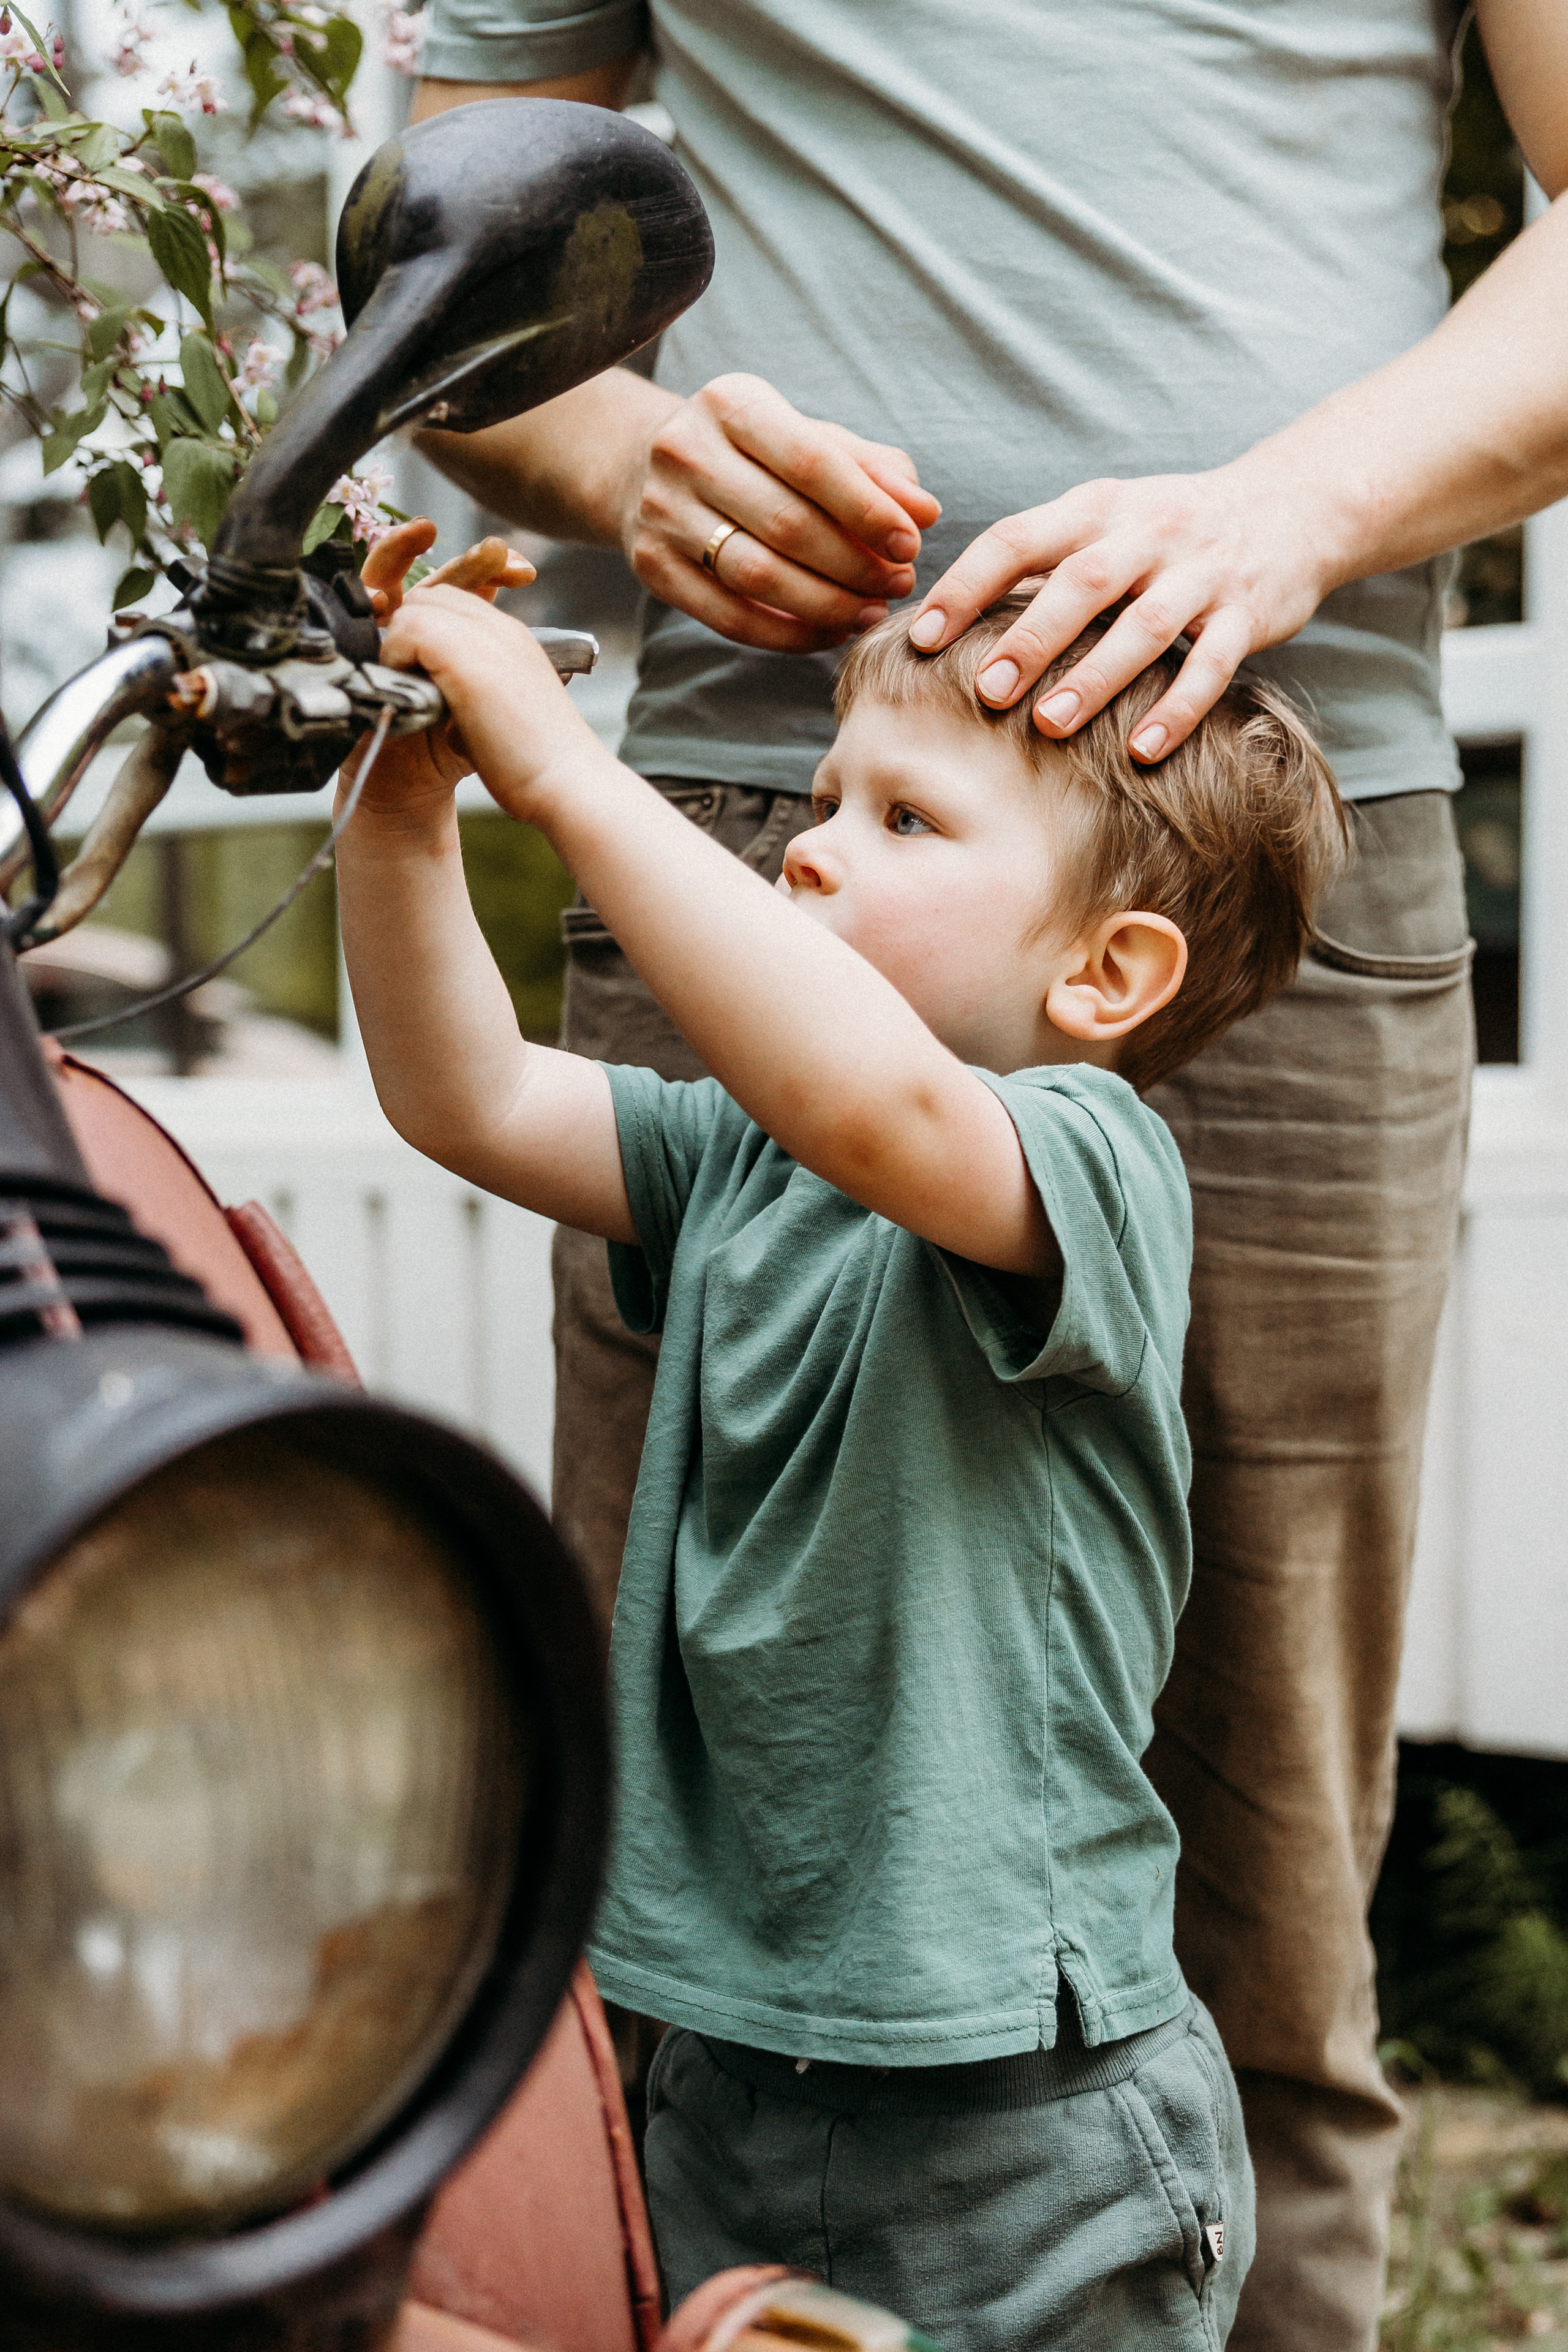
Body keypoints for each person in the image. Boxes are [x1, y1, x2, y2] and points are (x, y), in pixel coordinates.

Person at [404, 7, 1568, 2345]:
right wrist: (621, 463)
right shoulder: (785, 1013)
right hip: (751, 779)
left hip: (1275, 831)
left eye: (899, 826)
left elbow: (889, 1115)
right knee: (674, 1883)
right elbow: (447, 263)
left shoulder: (1037, 1131)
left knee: (1264, 1915)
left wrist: (1288, 512)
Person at [335, 551, 1348, 2347]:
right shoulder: (742, 1156)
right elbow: (467, 1096)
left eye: (904, 820)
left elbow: (875, 1105)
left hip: (1021, 2107)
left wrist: (569, 770)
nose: (810, 846)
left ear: (1110, 973)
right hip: (736, 2052)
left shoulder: (1090, 1163)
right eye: (819, 802)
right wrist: (406, 806)